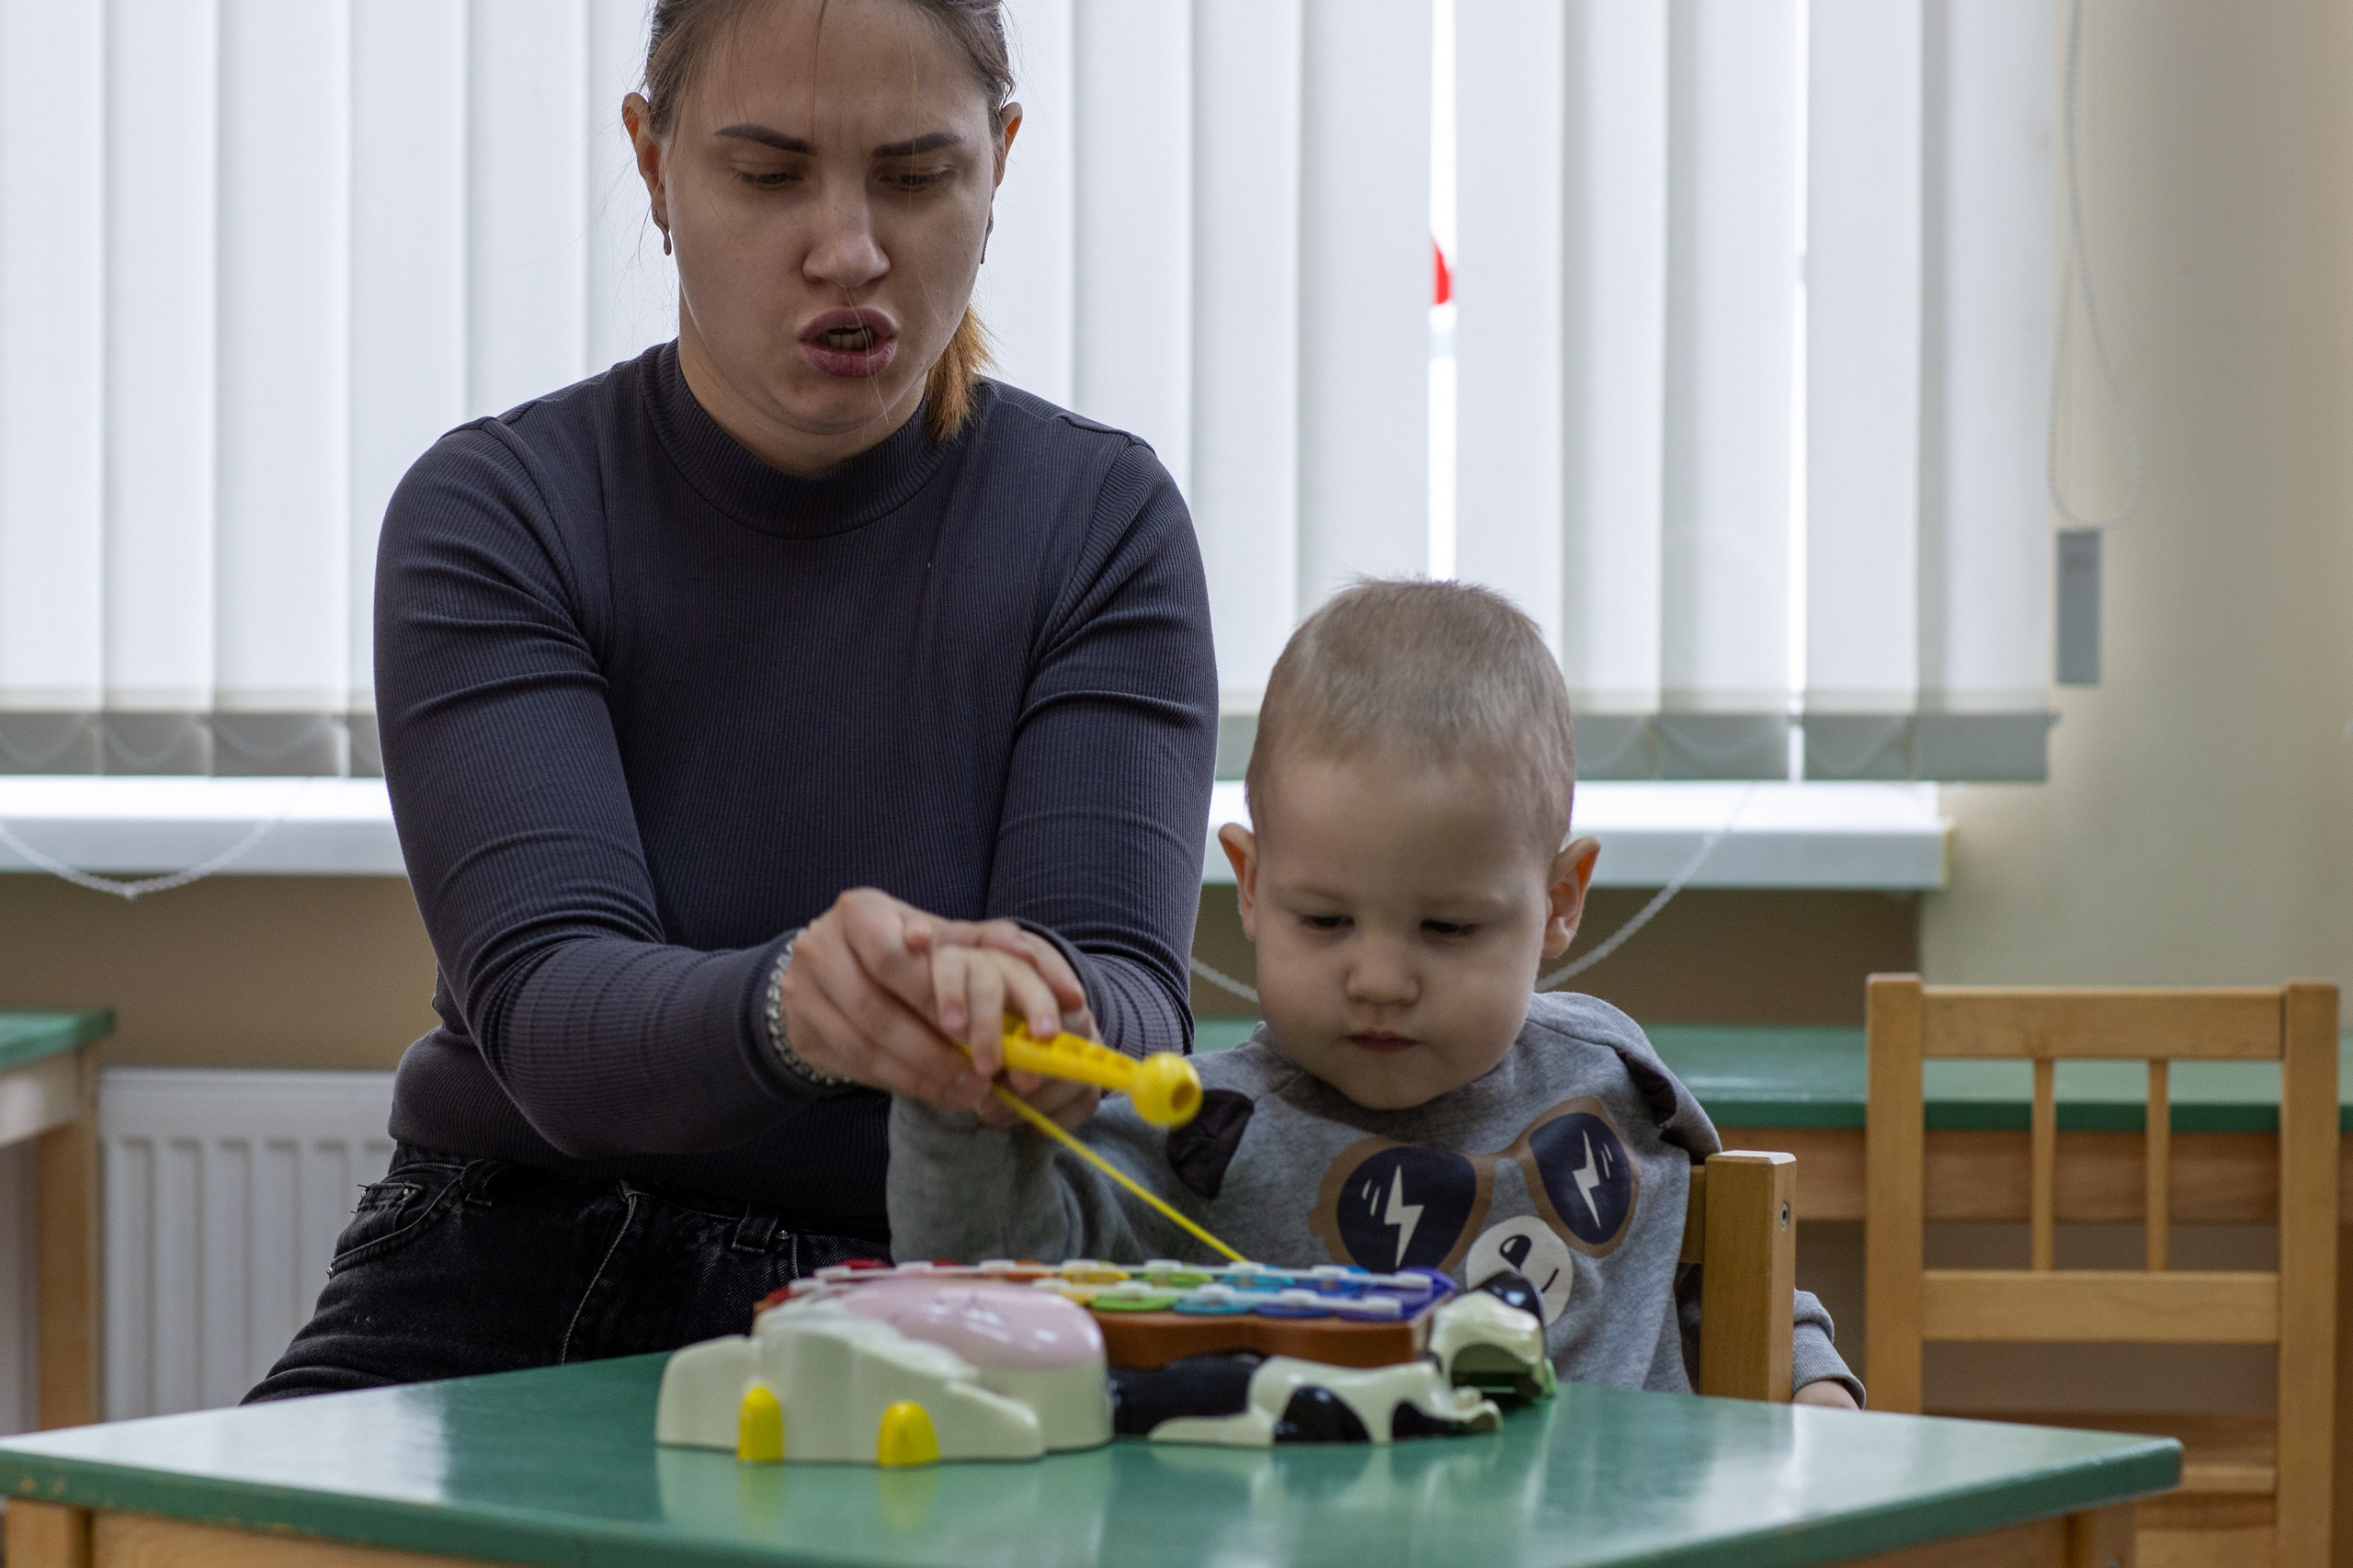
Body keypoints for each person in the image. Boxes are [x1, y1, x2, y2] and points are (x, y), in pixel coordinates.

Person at [249, 0, 1214, 1400]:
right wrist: (791, 1009)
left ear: (999, 164)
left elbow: (1132, 1001)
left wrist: (1037, 1009)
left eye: (914, 174)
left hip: (947, 1283)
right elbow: (550, 1010)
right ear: (652, 165)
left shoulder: (1100, 524)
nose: (848, 250)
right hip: (517, 1255)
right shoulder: (499, 511)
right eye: (766, 175)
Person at [889, 581, 1861, 1405]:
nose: (1381, 980)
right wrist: (959, 1106)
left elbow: (1720, 1280)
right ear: (1254, 886)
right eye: (1325, 920)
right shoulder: (1196, 1136)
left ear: (1559, 900)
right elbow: (986, 1287)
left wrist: (1813, 1384)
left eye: (1446, 928)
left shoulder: (1614, 1080)